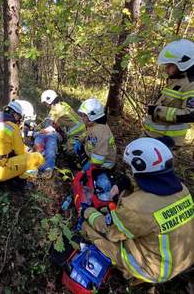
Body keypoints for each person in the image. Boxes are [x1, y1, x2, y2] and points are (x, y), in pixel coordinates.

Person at [81, 137, 194, 284]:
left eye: (130, 168)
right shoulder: (181, 189)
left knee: (88, 227)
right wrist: (124, 183)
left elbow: (109, 232)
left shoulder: (135, 207)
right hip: (184, 259)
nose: (129, 171)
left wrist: (89, 212)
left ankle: (131, 274)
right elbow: (147, 180)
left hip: (156, 271)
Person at [0, 100, 44, 188]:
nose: (20, 121)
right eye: (20, 118)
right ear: (15, 115)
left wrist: (26, 148)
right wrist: (30, 152)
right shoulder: (12, 127)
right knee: (37, 157)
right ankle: (20, 182)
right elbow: (20, 153)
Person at [143, 39, 194, 147]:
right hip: (153, 136)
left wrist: (157, 110)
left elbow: (190, 114)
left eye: (170, 65)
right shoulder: (175, 80)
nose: (166, 69)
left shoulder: (191, 85)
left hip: (168, 141)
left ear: (184, 64)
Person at [40, 89, 86, 153]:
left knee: (69, 150)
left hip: (77, 133)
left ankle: (82, 159)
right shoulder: (63, 104)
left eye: (45, 103)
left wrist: (39, 131)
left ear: (48, 101)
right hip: (84, 128)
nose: (45, 105)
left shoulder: (54, 110)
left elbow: (49, 125)